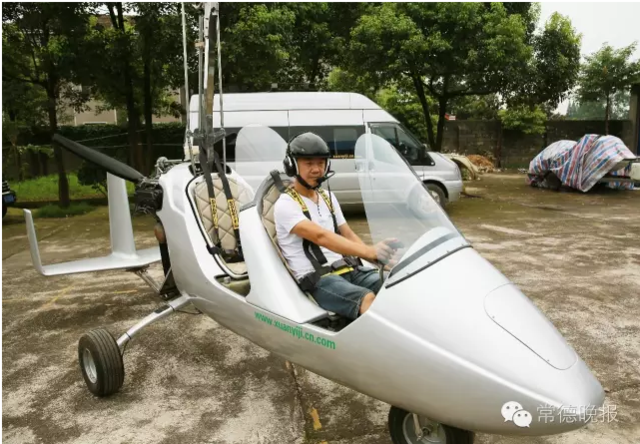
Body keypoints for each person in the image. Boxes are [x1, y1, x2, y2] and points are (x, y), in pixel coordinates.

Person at [274, 132, 399, 320]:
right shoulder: (285, 204)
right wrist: (370, 252)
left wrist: (378, 258)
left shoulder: (328, 197)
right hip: (319, 279)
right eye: (309, 163)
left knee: (397, 286)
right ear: (292, 165)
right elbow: (320, 237)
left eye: (321, 163)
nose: (317, 169)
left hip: (350, 269)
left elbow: (347, 233)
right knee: (367, 300)